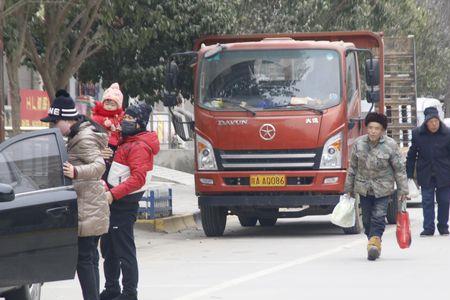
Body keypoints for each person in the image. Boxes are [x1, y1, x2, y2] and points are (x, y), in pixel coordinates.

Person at [41, 90, 109, 300]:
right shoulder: (76, 136)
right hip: (90, 207)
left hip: (89, 209)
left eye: (55, 122)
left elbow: (99, 166)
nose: (54, 126)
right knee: (89, 259)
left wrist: (76, 172)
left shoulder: (83, 138)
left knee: (84, 260)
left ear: (67, 120)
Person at [100, 103, 160, 300]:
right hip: (112, 204)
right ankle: (111, 289)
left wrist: (113, 194)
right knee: (109, 249)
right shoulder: (125, 141)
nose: (125, 121)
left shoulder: (140, 146)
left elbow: (137, 179)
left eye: (130, 119)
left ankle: (129, 293)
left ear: (139, 123)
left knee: (124, 250)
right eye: (124, 117)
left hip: (123, 205)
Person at [344, 112, 408, 261]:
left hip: (383, 189)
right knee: (366, 220)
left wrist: (402, 190)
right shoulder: (359, 144)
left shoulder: (390, 145)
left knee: (378, 217)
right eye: (371, 127)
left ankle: (374, 242)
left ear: (383, 130)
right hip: (364, 188)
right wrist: (349, 189)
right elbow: (352, 167)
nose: (373, 131)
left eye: (377, 128)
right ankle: (373, 242)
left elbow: (399, 169)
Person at [406, 106, 450, 237]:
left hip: (444, 173)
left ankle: (443, 226)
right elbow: (412, 155)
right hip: (425, 172)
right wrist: (409, 175)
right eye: (431, 121)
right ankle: (428, 228)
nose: (434, 124)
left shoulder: (447, 134)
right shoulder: (418, 134)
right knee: (427, 201)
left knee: (444, 201)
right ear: (426, 121)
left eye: (436, 121)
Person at [92, 82, 125, 150]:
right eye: (107, 104)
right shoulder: (97, 114)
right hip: (100, 142)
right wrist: (104, 122)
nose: (109, 107)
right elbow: (94, 122)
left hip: (116, 143)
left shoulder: (120, 116)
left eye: (112, 105)